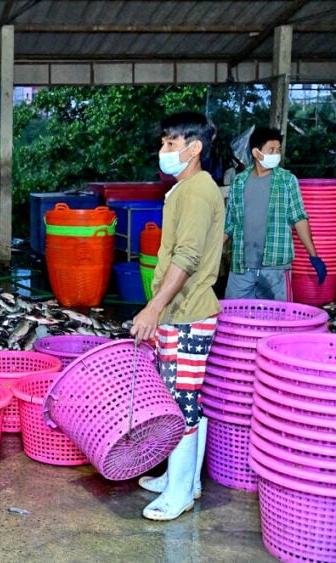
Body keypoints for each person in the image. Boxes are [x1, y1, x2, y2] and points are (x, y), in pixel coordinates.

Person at [130, 112, 225, 521]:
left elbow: (186, 257)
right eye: (164, 142)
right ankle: (184, 477)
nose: (164, 151)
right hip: (179, 312)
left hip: (187, 315)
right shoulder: (185, 189)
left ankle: (179, 493)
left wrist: (153, 308)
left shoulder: (198, 192)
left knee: (182, 403)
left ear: (194, 148)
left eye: (172, 143)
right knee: (184, 397)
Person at [223, 126, 327, 300]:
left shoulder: (287, 180)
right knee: (233, 318)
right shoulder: (239, 182)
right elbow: (230, 224)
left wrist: (314, 256)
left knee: (277, 321)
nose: (276, 154)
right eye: (271, 150)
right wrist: (211, 256)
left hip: (275, 268)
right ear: (256, 153)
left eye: (278, 150)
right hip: (241, 267)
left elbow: (299, 218)